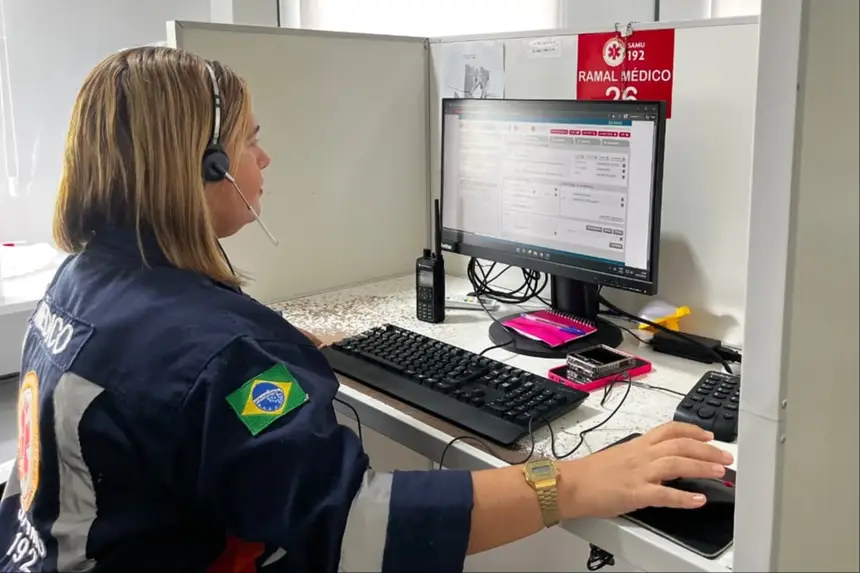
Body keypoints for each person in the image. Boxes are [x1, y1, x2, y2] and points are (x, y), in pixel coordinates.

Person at [0, 46, 733, 573]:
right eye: (251, 140)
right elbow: (357, 527)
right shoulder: (217, 352)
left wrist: (274, 345)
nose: (265, 160)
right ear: (204, 165)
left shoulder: (84, 282)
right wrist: (572, 483)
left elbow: (170, 379)